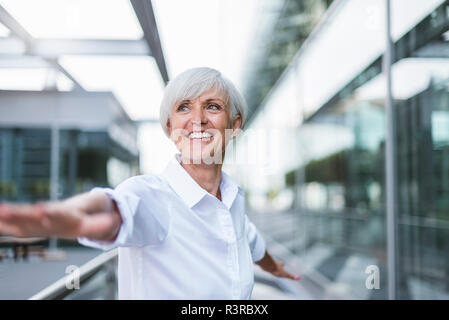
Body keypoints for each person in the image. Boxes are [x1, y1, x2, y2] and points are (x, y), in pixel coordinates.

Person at [0, 67, 300, 299]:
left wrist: (276, 268)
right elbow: (112, 211)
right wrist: (64, 217)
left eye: (212, 107)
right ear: (170, 128)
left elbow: (249, 238)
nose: (197, 120)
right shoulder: (150, 196)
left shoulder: (233, 197)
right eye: (183, 108)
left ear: (234, 126)